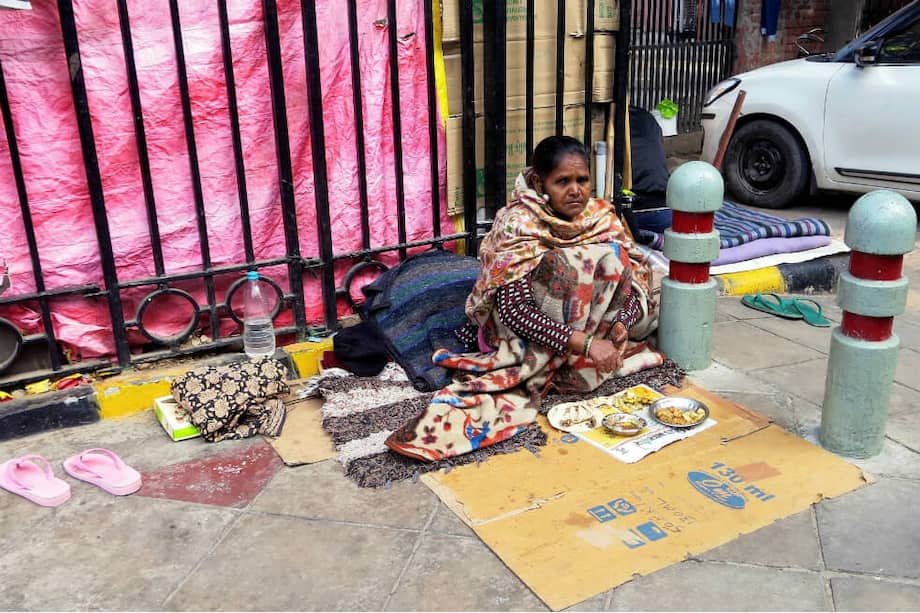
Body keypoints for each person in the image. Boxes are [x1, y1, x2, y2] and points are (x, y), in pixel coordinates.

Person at [385, 136, 661, 462]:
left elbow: (631, 282)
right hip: (527, 330)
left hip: (587, 321)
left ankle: (584, 354)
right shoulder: (517, 224)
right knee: (576, 263)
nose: (575, 190)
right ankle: (566, 361)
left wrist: (621, 323)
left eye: (582, 180)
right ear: (537, 181)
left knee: (618, 264)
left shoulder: (601, 217)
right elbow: (513, 311)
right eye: (563, 182)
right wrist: (587, 345)